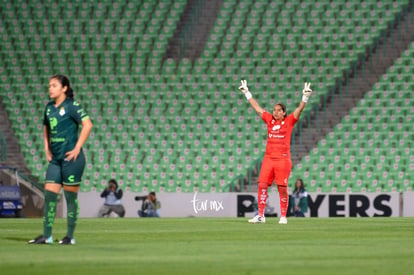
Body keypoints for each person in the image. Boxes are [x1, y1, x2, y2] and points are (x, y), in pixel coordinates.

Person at [28, 75, 93, 245]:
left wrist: (78, 147)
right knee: (49, 196)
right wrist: (46, 148)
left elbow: (88, 124)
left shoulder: (72, 106)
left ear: (64, 88)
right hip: (56, 160)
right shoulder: (49, 108)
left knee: (70, 198)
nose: (50, 88)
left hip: (72, 160)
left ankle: (70, 236)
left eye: (54, 85)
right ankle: (47, 236)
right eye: (49, 85)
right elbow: (45, 127)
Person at [238, 80, 312, 224]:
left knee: (282, 187)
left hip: (283, 160)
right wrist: (247, 93)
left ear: (284, 113)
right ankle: (260, 215)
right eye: (274, 109)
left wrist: (305, 98)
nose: (275, 112)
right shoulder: (270, 120)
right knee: (262, 185)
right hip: (269, 159)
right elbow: (257, 108)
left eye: (279, 110)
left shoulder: (289, 121)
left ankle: (283, 216)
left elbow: (299, 110)